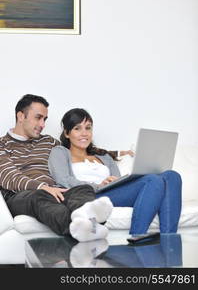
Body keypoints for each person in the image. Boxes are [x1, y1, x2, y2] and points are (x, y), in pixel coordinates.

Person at [0, 94, 133, 242]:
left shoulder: (48, 141)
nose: (43, 124)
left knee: (83, 189)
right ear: (20, 116)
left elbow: (78, 147)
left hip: (56, 191)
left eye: (45, 119)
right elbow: (8, 176)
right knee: (39, 196)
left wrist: (119, 153)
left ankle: (90, 227)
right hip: (22, 195)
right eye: (38, 117)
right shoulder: (2, 144)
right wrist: (43, 187)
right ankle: (86, 230)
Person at [48, 108, 182, 236]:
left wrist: (115, 181)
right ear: (67, 133)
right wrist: (98, 185)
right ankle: (136, 238)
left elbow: (117, 179)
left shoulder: (104, 156)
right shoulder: (60, 152)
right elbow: (64, 180)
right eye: (77, 128)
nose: (84, 133)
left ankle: (169, 240)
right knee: (152, 180)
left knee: (172, 176)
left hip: (112, 192)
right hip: (89, 196)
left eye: (88, 128)